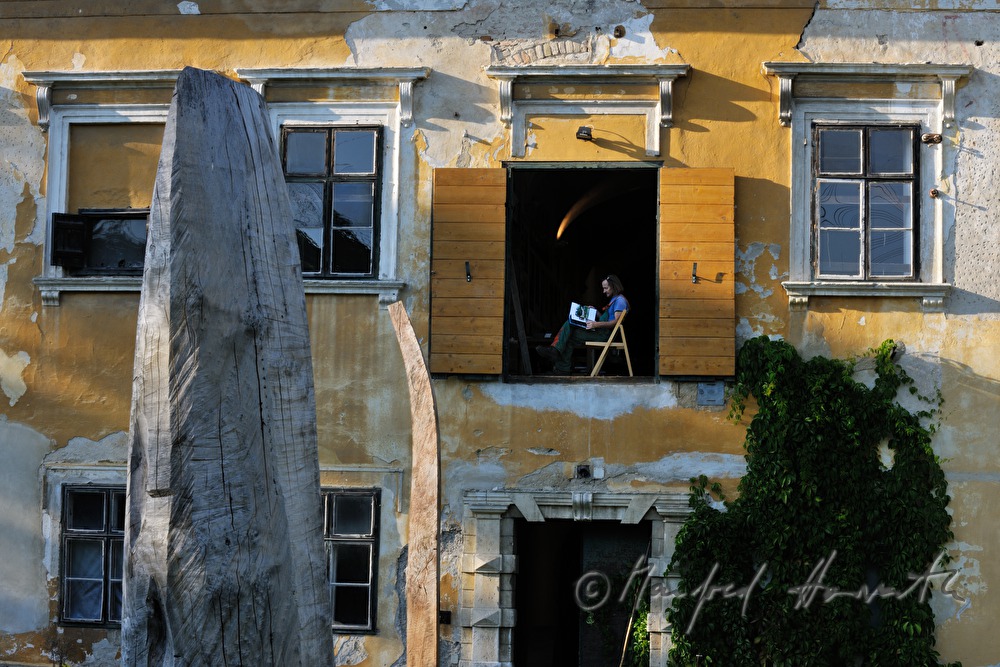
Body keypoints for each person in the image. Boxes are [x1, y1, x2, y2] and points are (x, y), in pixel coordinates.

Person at [536, 274, 629, 374]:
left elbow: (615, 323)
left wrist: (595, 325)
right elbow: (609, 319)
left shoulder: (620, 301)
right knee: (570, 326)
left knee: (569, 333)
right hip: (600, 332)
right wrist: (597, 313)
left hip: (603, 335)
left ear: (613, 286)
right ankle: (559, 361)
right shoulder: (615, 299)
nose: (604, 291)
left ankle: (560, 364)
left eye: (606, 288)